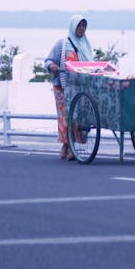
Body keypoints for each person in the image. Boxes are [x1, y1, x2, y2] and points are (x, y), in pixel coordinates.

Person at [45, 13, 93, 160]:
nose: (82, 28)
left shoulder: (86, 45)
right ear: (73, 26)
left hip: (80, 88)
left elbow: (90, 65)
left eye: (84, 26)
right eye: (79, 25)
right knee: (65, 118)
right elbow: (48, 60)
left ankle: (69, 146)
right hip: (63, 88)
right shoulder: (62, 43)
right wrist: (53, 66)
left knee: (77, 118)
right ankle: (67, 146)